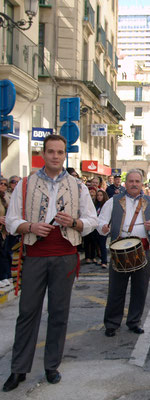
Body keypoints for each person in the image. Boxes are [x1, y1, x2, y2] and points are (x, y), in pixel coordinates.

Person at [3, 135, 98, 392]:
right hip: (35, 253)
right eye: (51, 152)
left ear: (65, 154)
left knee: (59, 312)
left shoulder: (78, 186)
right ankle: (18, 368)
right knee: (27, 312)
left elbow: (92, 220)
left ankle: (51, 366)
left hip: (65, 253)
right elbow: (11, 221)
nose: (56, 156)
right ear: (43, 154)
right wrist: (30, 226)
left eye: (60, 152)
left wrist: (75, 223)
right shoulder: (25, 184)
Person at [98, 169, 150, 337]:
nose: (134, 184)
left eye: (137, 181)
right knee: (116, 289)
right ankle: (112, 323)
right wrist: (103, 229)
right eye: (131, 181)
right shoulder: (113, 202)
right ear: (125, 183)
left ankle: (134, 321)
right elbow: (100, 223)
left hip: (142, 250)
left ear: (141, 184)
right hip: (118, 251)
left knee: (140, 289)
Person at [94, 190, 109, 268]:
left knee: (102, 244)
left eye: (101, 195)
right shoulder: (96, 205)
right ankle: (100, 258)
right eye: (98, 195)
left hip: (103, 227)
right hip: (95, 226)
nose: (99, 197)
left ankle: (104, 261)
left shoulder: (106, 205)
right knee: (98, 244)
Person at [0, 177, 11, 288]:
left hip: (2, 231)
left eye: (5, 184)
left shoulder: (4, 198)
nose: (2, 186)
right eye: (1, 184)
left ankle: (5, 276)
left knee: (4, 254)